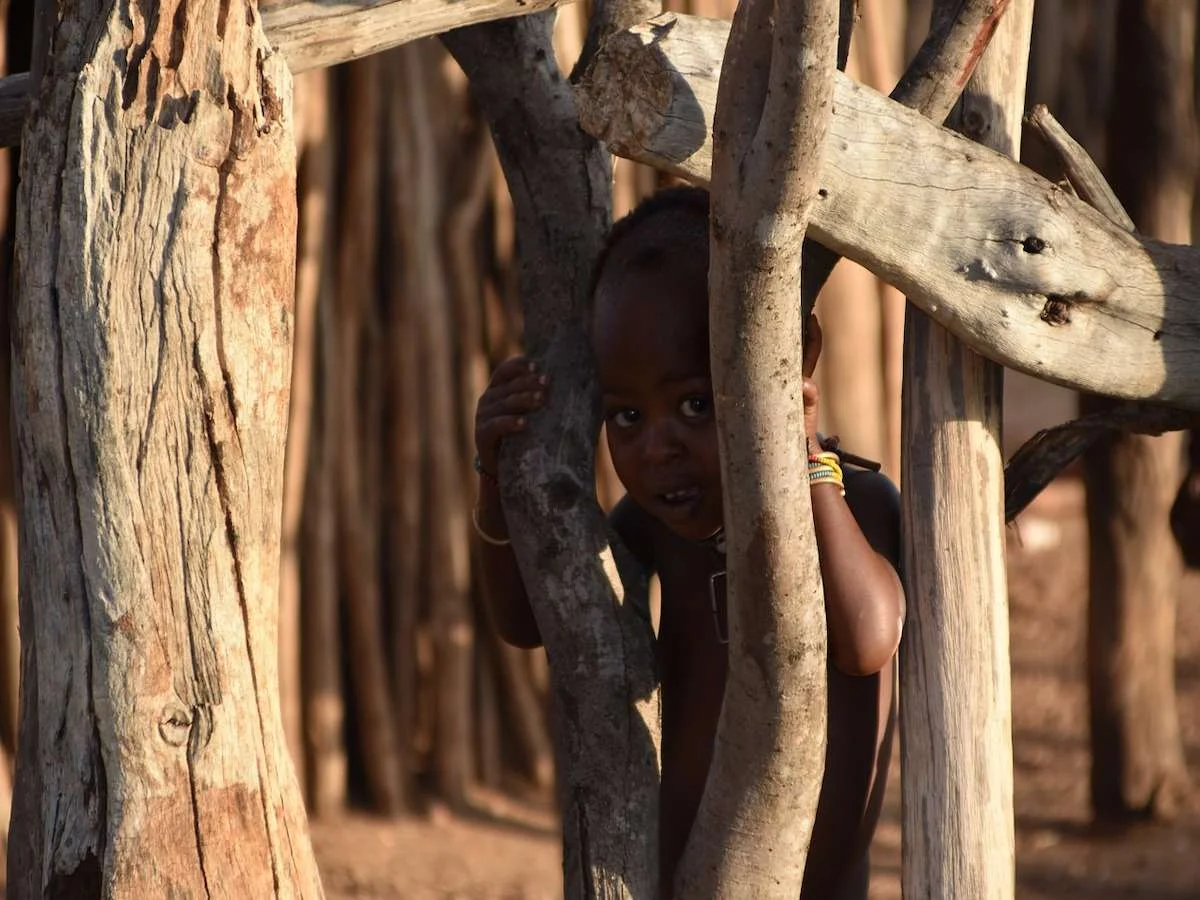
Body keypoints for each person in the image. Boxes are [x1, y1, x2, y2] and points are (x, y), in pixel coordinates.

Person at [471, 186, 904, 900]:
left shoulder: (856, 504)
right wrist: (496, 472)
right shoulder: (661, 533)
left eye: (695, 404)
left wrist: (802, 458)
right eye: (628, 416)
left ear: (786, 363)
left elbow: (865, 637)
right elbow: (527, 619)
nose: (658, 448)